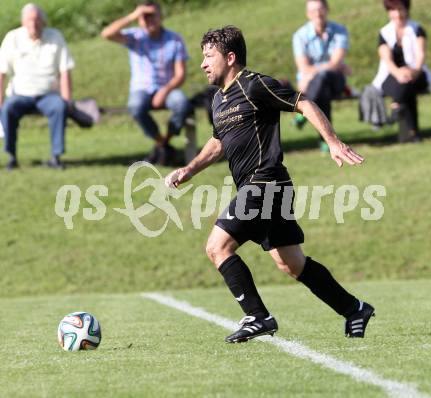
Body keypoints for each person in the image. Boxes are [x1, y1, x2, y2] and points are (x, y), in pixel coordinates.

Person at [165, 26, 375, 343]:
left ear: (230, 57)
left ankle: (257, 316)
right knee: (291, 263)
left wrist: (332, 141)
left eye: (209, 56)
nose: (203, 64)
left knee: (217, 247)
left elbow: (304, 103)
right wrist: (190, 169)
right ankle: (354, 309)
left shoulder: (254, 85)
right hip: (262, 188)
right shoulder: (218, 100)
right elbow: (218, 142)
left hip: (265, 182)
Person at [101, 0, 193, 166]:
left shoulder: (174, 39)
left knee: (182, 104)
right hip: (141, 88)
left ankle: (165, 141)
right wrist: (134, 15)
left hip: (167, 87)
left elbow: (180, 74)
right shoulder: (135, 37)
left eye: (152, 16)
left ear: (161, 16)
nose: (149, 20)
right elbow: (106, 34)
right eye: (145, 17)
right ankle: (162, 145)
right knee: (135, 106)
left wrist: (165, 91)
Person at [0, 3, 74, 170]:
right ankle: (11, 157)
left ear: (44, 22)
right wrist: (0, 101)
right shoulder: (12, 38)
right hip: (20, 94)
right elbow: (1, 73)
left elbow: (65, 71)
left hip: (48, 95)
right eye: (29, 20)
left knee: (59, 106)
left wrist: (67, 99)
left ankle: (56, 156)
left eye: (36, 20)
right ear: (23, 22)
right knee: (8, 109)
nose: (33, 24)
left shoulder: (55, 37)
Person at [292, 0, 351, 151]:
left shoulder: (340, 31)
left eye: (320, 9)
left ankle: (305, 113)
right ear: (307, 14)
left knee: (324, 78)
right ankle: (328, 140)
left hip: (335, 81)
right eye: (313, 11)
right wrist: (333, 65)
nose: (317, 14)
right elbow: (303, 67)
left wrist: (317, 70)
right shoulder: (300, 35)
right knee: (322, 87)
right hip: (311, 84)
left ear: (327, 9)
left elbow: (335, 63)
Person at [371, 0, 431, 142]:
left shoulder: (417, 29)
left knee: (407, 83)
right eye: (393, 10)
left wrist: (413, 72)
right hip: (392, 75)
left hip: (416, 74)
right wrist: (399, 73)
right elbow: (387, 60)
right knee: (404, 85)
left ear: (406, 9)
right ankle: (413, 132)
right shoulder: (384, 33)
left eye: (400, 9)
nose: (397, 14)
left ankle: (396, 106)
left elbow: (420, 55)